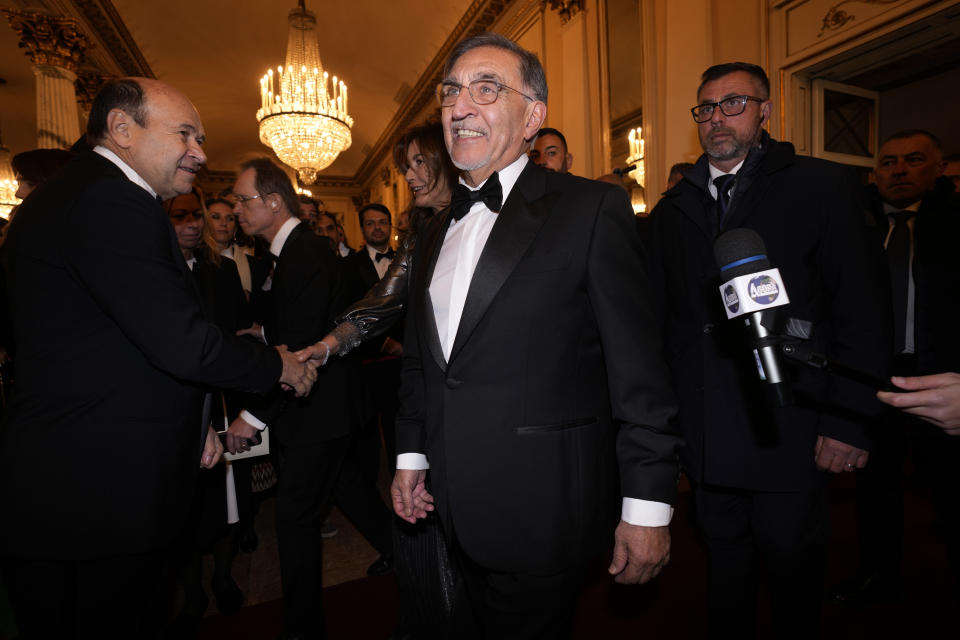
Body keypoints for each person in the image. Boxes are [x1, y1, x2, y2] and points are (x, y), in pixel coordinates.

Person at [0, 78, 315, 639]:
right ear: (123, 130)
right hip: (99, 489)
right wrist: (278, 367)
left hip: (83, 476)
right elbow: (180, 340)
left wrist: (199, 424)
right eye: (185, 134)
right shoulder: (108, 200)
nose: (200, 151)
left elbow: (121, 343)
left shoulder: (84, 194)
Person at [391, 33, 681, 638]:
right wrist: (412, 455)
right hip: (452, 503)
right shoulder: (430, 232)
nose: (459, 106)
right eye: (450, 92)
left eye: (485, 89)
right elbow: (423, 363)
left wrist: (649, 506)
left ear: (533, 117)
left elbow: (640, 374)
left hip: (546, 507)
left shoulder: (592, 209)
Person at [645, 62, 890, 638]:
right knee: (723, 561)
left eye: (734, 103)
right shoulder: (671, 209)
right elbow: (662, 319)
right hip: (705, 425)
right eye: (705, 108)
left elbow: (861, 309)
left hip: (791, 418)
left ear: (766, 111)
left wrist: (851, 420)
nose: (716, 118)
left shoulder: (820, 185)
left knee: (790, 562)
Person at [299, 120, 459, 637]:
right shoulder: (422, 233)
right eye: (404, 165)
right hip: (432, 394)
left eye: (418, 162)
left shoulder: (494, 216)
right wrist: (325, 347)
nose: (410, 175)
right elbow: (378, 304)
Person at [223, 157, 350, 640]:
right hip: (318, 411)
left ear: (274, 202)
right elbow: (298, 324)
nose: (236, 208)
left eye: (242, 199)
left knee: (296, 522)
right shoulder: (291, 251)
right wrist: (265, 329)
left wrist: (252, 418)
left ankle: (303, 627)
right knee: (342, 499)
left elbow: (303, 347)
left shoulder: (307, 252)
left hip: (316, 410)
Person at [832, 129, 960, 606]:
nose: (899, 170)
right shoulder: (852, 228)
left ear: (938, 168)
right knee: (875, 491)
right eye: (888, 162)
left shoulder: (953, 224)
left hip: (946, 386)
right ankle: (878, 576)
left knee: (950, 489)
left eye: (913, 160)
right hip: (872, 382)